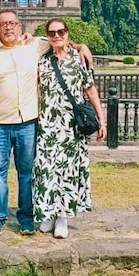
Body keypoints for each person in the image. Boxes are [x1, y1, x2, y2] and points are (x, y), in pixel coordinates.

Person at [0, 9, 93, 237]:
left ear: (19, 26)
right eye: (3, 24)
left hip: (26, 123)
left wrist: (81, 47)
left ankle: (26, 218)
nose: (8, 27)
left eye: (12, 23)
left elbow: (59, 40)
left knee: (26, 173)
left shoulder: (34, 46)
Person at [33, 18, 105, 239]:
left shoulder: (78, 59)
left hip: (71, 126)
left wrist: (102, 120)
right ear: (47, 35)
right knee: (46, 170)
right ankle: (49, 213)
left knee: (67, 171)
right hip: (47, 125)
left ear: (67, 33)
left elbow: (90, 90)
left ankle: (63, 216)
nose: (57, 36)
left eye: (61, 31)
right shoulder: (42, 61)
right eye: (52, 33)